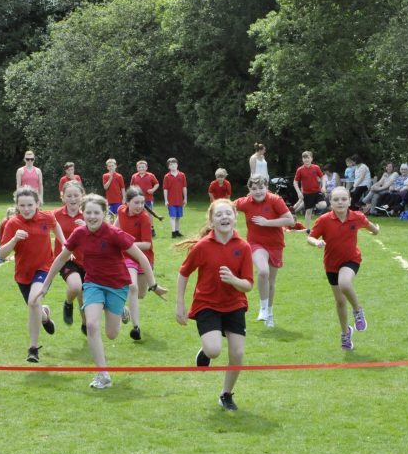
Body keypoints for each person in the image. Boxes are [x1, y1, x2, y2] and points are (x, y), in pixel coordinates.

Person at [35, 194, 166, 389]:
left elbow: (142, 257)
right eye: (88, 212)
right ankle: (103, 375)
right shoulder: (79, 233)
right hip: (93, 284)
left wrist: (153, 285)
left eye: (96, 212)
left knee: (112, 334)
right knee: (92, 326)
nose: (92, 216)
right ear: (83, 213)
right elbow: (61, 258)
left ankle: (121, 310)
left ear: (104, 214)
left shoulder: (114, 233)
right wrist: (46, 284)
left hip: (116, 285)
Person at [174, 199, 253, 411]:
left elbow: (248, 285)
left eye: (228, 213)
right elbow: (184, 273)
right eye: (219, 215)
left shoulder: (243, 247)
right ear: (211, 221)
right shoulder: (203, 247)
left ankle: (226, 394)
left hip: (234, 303)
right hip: (206, 303)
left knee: (237, 353)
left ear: (235, 217)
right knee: (214, 350)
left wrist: (234, 281)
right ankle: (206, 352)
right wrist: (179, 304)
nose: (224, 217)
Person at [0, 186, 65, 363]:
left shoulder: (47, 217)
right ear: (17, 206)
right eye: (22, 205)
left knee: (33, 301)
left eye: (30, 205)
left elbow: (55, 225)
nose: (26, 209)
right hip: (23, 274)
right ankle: (45, 315)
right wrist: (14, 239)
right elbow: (1, 254)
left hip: (44, 268)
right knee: (34, 305)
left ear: (37, 204)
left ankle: (33, 348)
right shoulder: (12, 223)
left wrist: (65, 244)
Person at [308, 187, 380, 350]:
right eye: (336, 200)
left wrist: (376, 231)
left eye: (343, 199)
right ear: (330, 203)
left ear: (349, 201)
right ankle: (345, 333)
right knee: (340, 302)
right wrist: (316, 242)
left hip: (351, 260)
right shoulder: (324, 220)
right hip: (331, 264)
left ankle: (357, 311)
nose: (340, 202)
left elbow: (371, 228)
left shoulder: (357, 217)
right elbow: (310, 237)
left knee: (345, 284)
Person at [234, 175, 294, 328]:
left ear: (267, 188)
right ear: (249, 190)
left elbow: (290, 220)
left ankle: (269, 313)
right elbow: (228, 206)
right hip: (255, 243)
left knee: (271, 283)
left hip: (275, 245)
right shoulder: (246, 202)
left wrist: (267, 222)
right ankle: (262, 307)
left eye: (261, 188)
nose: (258, 191)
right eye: (254, 189)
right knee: (262, 272)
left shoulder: (275, 200)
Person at [117, 187, 155, 341]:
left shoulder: (145, 218)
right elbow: (115, 228)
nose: (140, 206)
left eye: (142, 202)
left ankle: (125, 310)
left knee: (140, 294)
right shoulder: (120, 210)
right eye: (136, 202)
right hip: (127, 257)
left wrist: (125, 243)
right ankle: (136, 327)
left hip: (144, 258)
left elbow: (146, 244)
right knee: (132, 287)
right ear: (127, 202)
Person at [52, 180, 88, 334]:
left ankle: (86, 325)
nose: (73, 199)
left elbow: (103, 232)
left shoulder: (89, 213)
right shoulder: (55, 215)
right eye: (69, 196)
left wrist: (87, 227)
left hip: (88, 260)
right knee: (75, 287)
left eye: (76, 195)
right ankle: (68, 304)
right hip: (66, 259)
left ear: (82, 196)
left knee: (83, 295)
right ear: (63, 197)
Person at [293, 151, 327, 230]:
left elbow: (322, 177)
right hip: (307, 194)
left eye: (308, 158)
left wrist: (324, 186)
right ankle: (308, 229)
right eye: (304, 158)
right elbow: (295, 182)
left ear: (311, 158)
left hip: (317, 192)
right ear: (302, 159)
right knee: (308, 212)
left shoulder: (316, 167)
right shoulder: (300, 170)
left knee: (323, 205)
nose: (306, 160)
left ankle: (314, 204)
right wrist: (298, 192)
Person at [163, 157, 188, 238]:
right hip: (171, 201)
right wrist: (166, 200)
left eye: (174, 164)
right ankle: (173, 232)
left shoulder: (182, 175)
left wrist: (185, 198)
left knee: (178, 217)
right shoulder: (167, 176)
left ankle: (177, 231)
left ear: (177, 165)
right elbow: (165, 189)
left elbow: (184, 187)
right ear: (168, 167)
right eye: (171, 165)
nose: (173, 166)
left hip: (179, 200)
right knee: (172, 216)